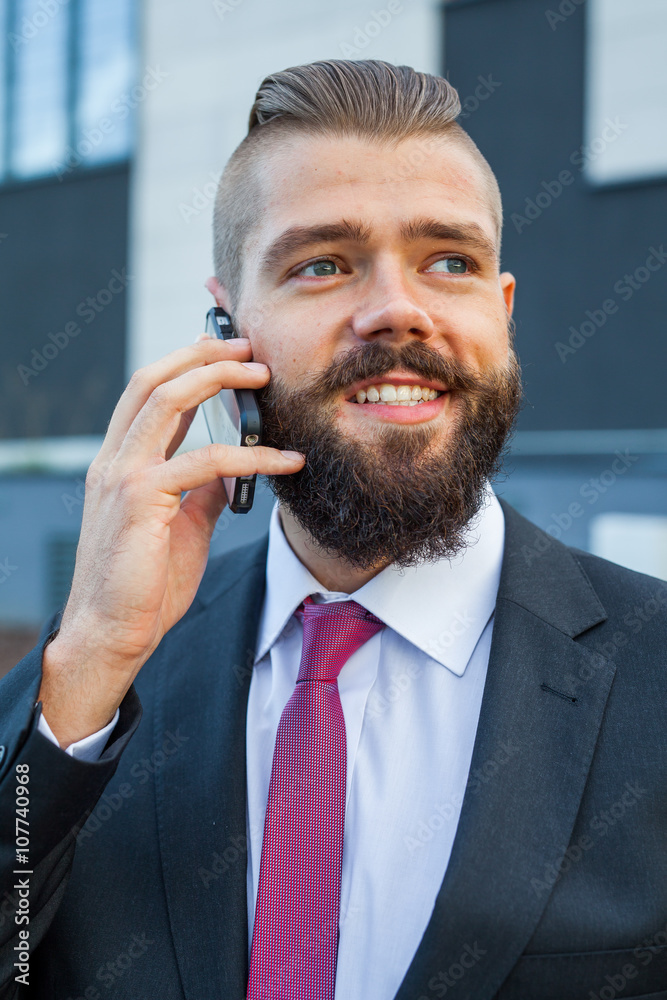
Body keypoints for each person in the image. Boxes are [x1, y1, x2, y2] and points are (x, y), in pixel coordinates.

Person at [0, 59, 665, 1000]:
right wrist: (91, 663)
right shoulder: (92, 686)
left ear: (501, 313)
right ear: (227, 328)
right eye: (322, 264)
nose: (399, 307)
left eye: (450, 262)